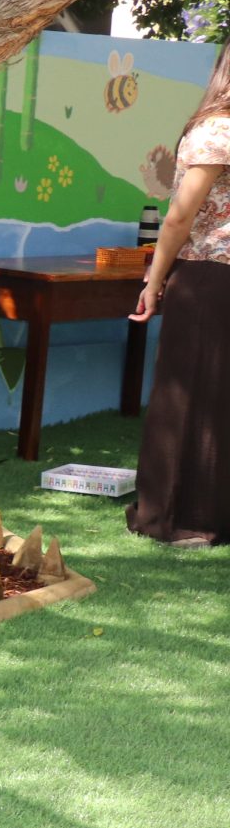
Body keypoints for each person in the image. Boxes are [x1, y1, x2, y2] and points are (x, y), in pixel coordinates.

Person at [127, 41, 230, 547]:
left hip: (209, 278)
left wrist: (154, 281)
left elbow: (179, 217)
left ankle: (181, 517)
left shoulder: (216, 130)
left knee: (188, 395)